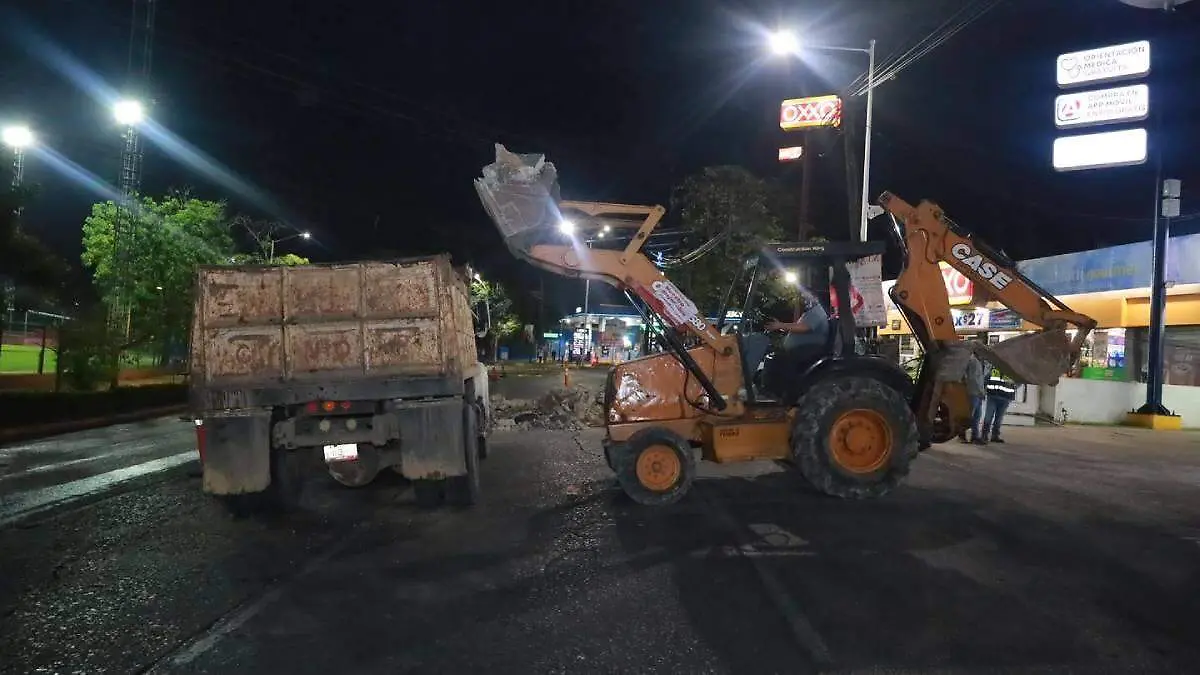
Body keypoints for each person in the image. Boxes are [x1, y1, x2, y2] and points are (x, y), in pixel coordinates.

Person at [981, 361, 1017, 443]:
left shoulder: (1012, 367)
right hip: (993, 395)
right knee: (988, 417)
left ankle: (994, 436)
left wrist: (1014, 385)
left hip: (1005, 397)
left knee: (998, 418)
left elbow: (1018, 380)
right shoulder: (994, 366)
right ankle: (985, 435)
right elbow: (986, 378)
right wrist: (983, 389)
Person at [961, 351, 987, 445]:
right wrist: (981, 391)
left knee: (976, 416)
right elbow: (974, 378)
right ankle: (963, 435)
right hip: (974, 392)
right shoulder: (974, 362)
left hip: (976, 392)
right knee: (971, 415)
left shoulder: (976, 362)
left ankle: (974, 436)